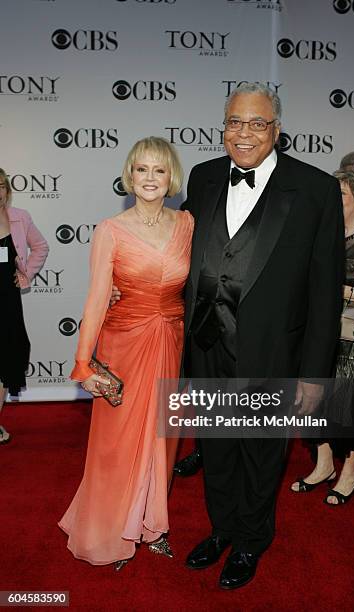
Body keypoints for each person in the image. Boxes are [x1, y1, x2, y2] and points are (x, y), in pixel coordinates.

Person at [180, 83, 344, 589]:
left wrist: (314, 375)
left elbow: (325, 290)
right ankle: (222, 528)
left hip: (274, 351)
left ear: (277, 128)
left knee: (261, 451)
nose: (243, 133)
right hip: (207, 346)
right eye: (234, 121)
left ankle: (251, 540)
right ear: (223, 125)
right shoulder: (204, 177)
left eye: (256, 123)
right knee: (217, 446)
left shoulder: (315, 189)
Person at [58, 137, 193, 569]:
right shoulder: (110, 230)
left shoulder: (188, 224)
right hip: (124, 344)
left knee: (162, 439)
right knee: (117, 444)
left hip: (171, 339)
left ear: (171, 176)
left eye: (159, 170)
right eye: (141, 169)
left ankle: (150, 525)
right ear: (129, 175)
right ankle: (112, 528)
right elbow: (97, 299)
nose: (150, 178)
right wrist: (83, 364)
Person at [291, 169, 354, 504]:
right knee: (316, 400)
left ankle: (350, 470)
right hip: (324, 333)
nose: (333, 201)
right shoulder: (325, 233)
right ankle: (323, 464)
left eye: (341, 195)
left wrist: (340, 291)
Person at [0, 168, 49, 444]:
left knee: (5, 362)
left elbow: (40, 246)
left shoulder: (20, 217)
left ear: (7, 189)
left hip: (7, 300)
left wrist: (26, 273)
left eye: (1, 186)